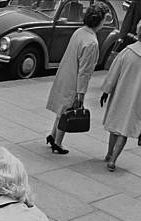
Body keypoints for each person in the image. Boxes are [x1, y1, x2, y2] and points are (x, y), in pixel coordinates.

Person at [46, 3, 108, 154]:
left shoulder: (80, 32)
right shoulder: (92, 43)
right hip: (74, 81)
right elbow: (84, 72)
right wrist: (81, 94)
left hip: (65, 74)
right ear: (98, 21)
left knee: (61, 110)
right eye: (105, 19)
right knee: (68, 111)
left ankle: (52, 136)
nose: (105, 22)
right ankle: (58, 142)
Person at [100, 16, 141, 171]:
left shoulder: (127, 52)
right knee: (125, 129)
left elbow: (113, 73)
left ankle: (109, 153)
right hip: (139, 98)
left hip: (120, 93)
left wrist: (106, 92)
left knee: (115, 125)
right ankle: (113, 160)